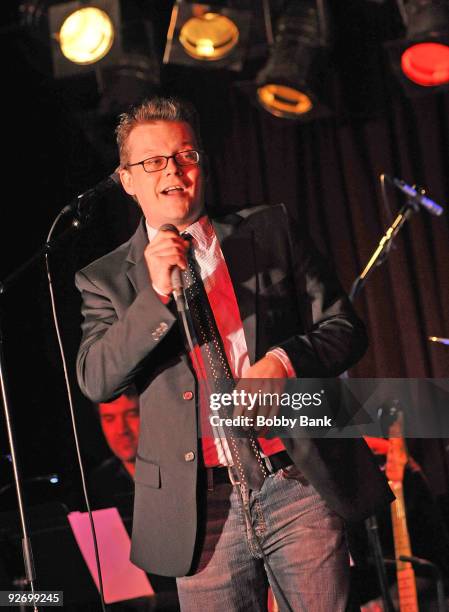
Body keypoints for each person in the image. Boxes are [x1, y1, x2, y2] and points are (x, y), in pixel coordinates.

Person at [75, 96, 393, 611]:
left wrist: (285, 361)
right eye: (152, 161)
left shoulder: (268, 229)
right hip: (199, 508)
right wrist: (152, 296)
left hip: (295, 478)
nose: (172, 170)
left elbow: (345, 328)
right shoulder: (106, 279)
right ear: (127, 179)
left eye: (185, 155)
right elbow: (96, 378)